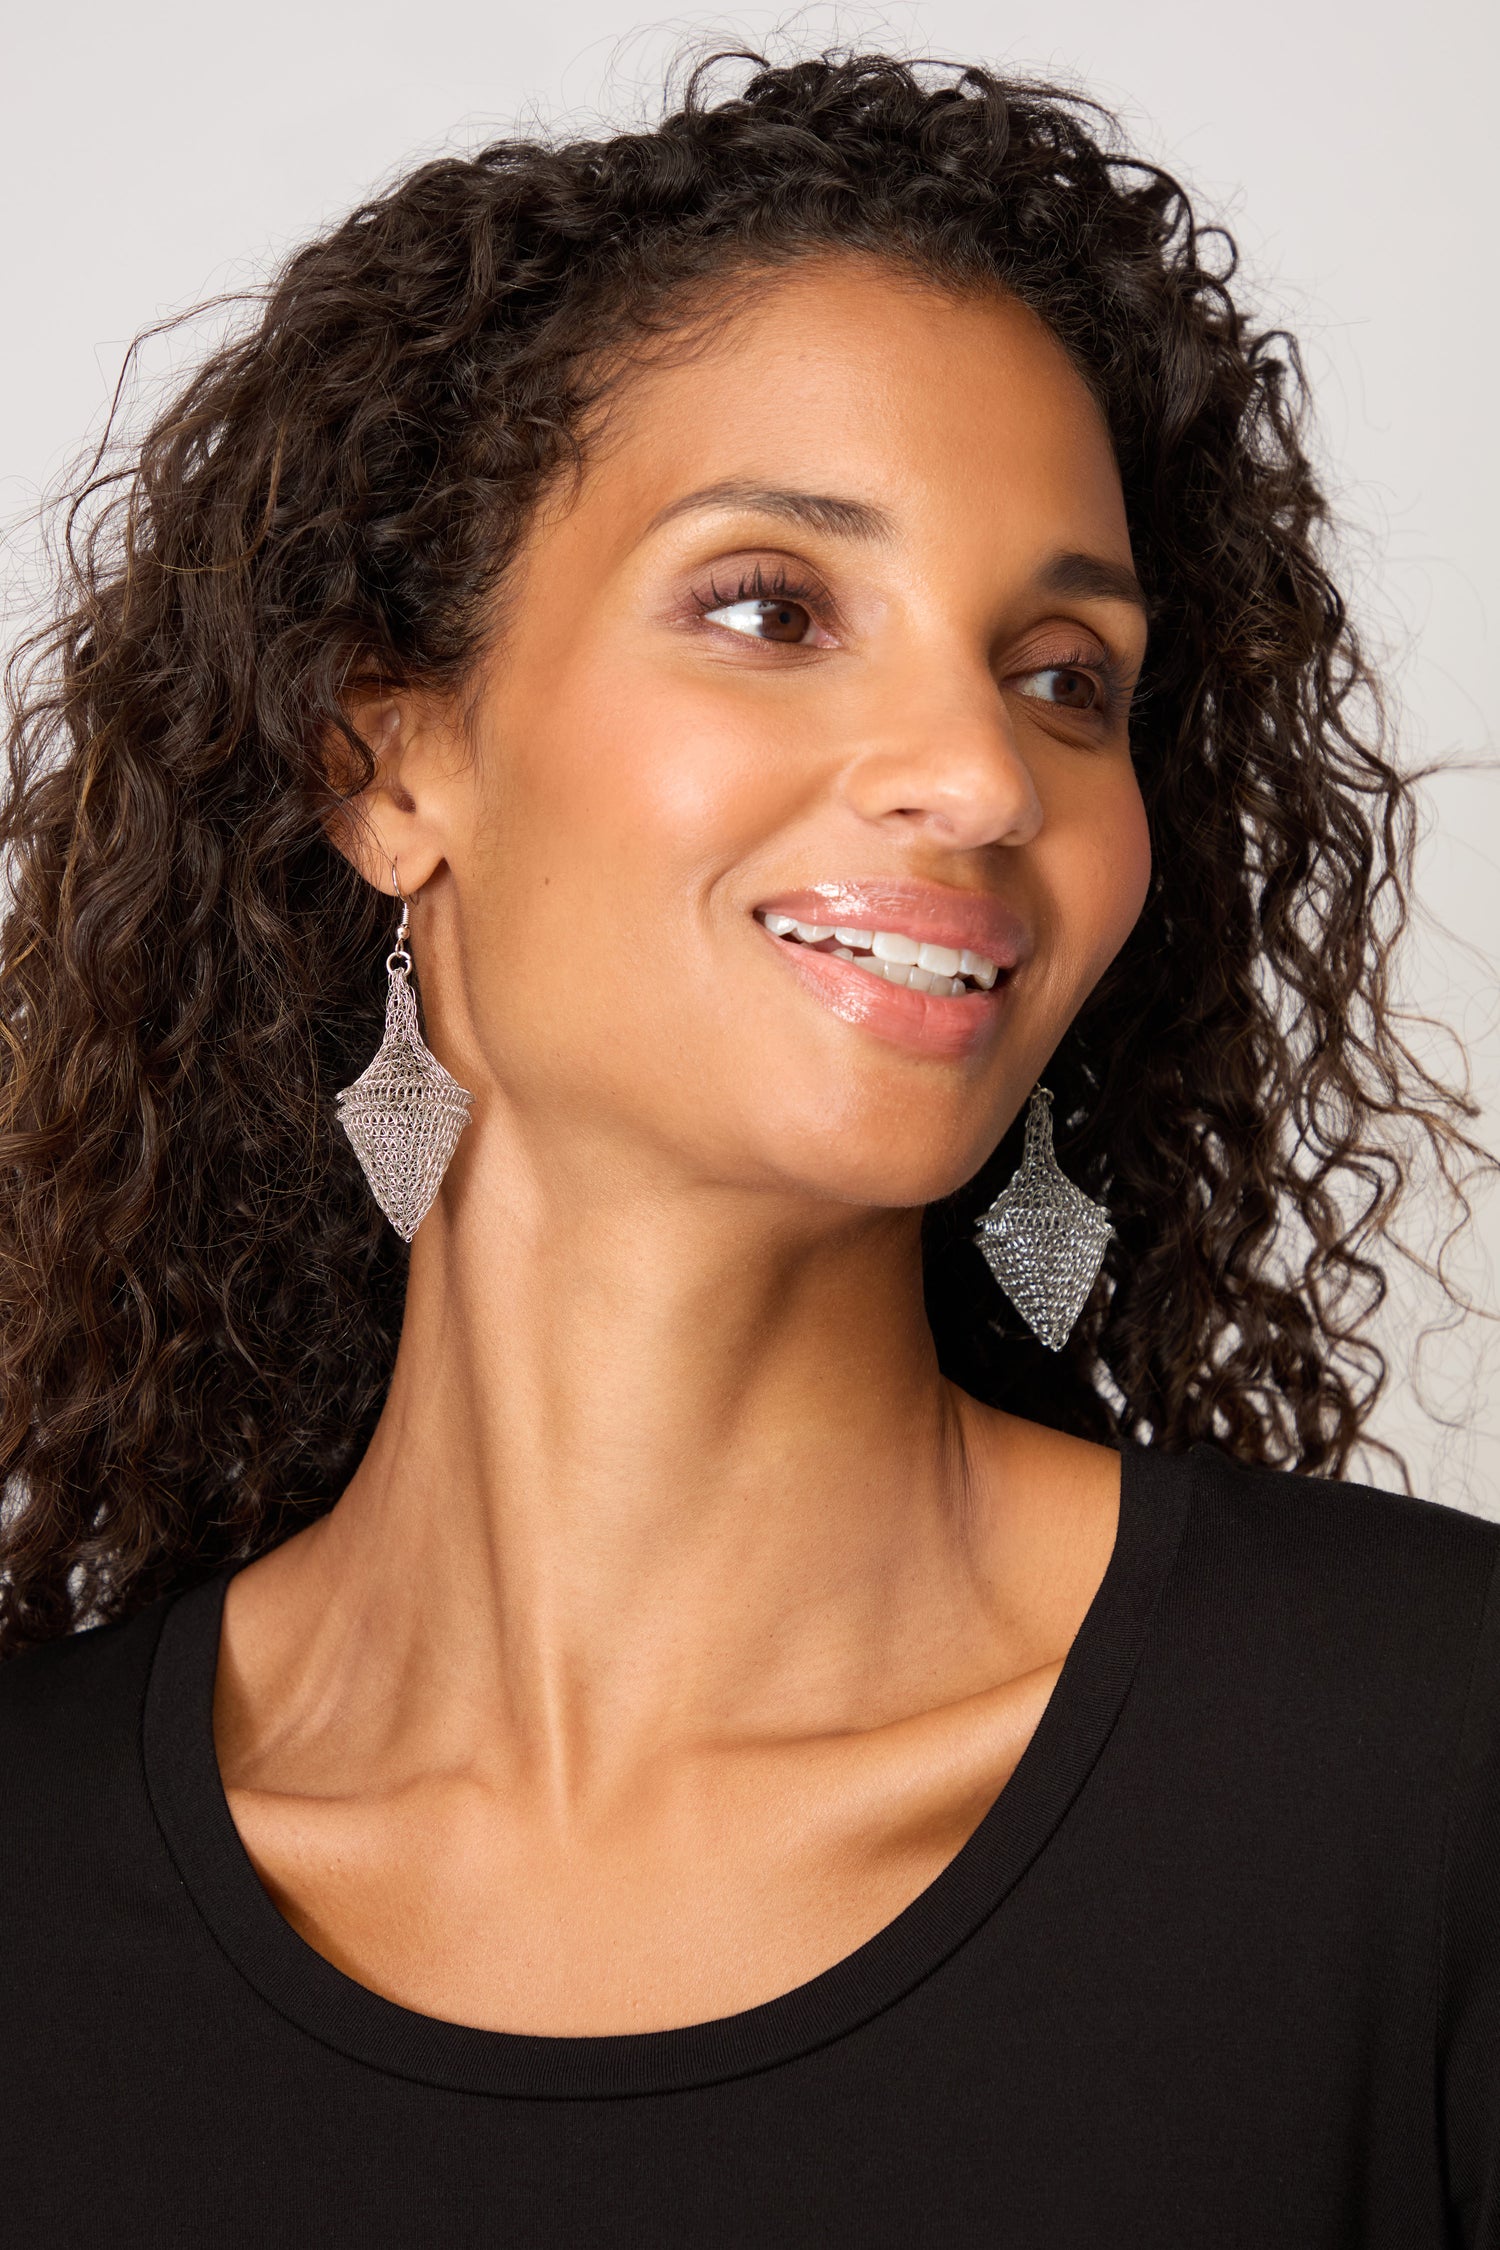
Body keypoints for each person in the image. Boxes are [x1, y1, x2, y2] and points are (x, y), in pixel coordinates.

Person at [0, 45, 1494, 2248]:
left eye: (1068, 676)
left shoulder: (1432, 1782)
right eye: (775, 605)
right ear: (386, 758)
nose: (982, 775)